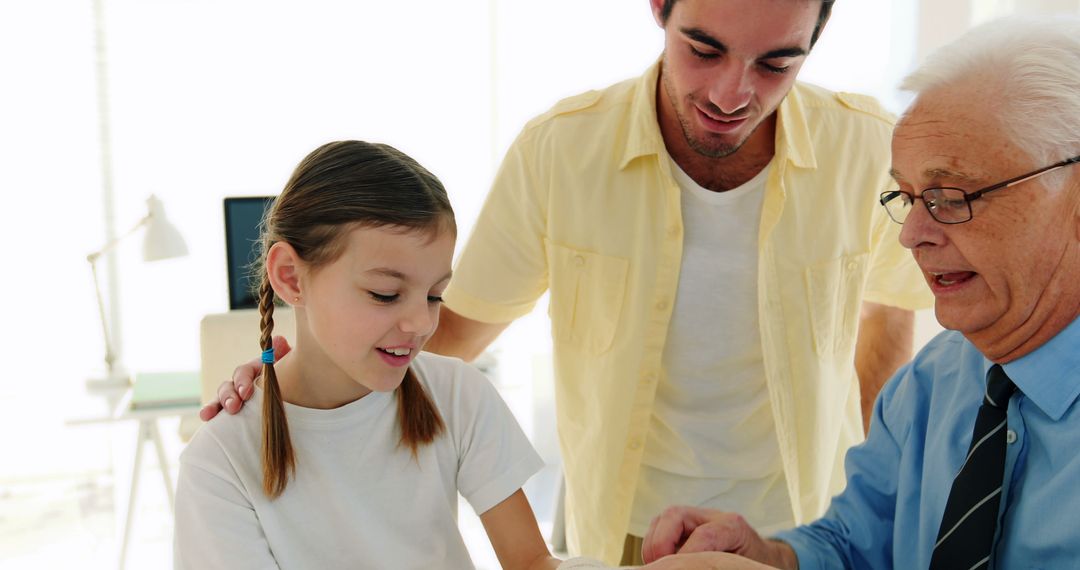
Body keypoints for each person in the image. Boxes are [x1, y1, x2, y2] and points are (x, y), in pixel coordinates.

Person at [203, 0, 932, 564]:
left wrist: (860, 500)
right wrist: (291, 376)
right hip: (620, 534)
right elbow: (447, 330)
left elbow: (890, 316)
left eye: (776, 64)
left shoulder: (867, 146)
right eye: (704, 50)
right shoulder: (563, 152)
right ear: (659, 9)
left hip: (805, 530)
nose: (732, 92)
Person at [639, 15, 1080, 569]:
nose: (913, 235)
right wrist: (770, 557)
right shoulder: (928, 386)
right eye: (907, 197)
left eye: (952, 195)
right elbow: (853, 545)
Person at [174, 140, 561, 569]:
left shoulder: (457, 393)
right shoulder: (219, 461)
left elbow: (531, 563)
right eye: (386, 294)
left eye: (435, 295)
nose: (422, 323)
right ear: (290, 277)